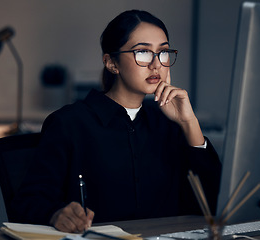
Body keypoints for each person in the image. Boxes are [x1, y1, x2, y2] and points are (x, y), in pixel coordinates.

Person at [11, 10, 221, 233]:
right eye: (142, 52)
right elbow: (27, 203)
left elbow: (212, 204)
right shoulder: (69, 123)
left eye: (163, 52)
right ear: (111, 63)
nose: (156, 64)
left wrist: (189, 122)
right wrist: (56, 214)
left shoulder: (168, 124)